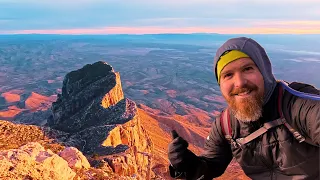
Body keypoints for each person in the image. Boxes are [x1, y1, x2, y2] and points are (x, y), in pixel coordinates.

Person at [168, 37, 320, 180]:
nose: (239, 82)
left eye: (247, 69)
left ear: (264, 72)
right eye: (228, 75)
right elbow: (211, 165)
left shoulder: (297, 104)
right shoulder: (225, 125)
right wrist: (188, 166)